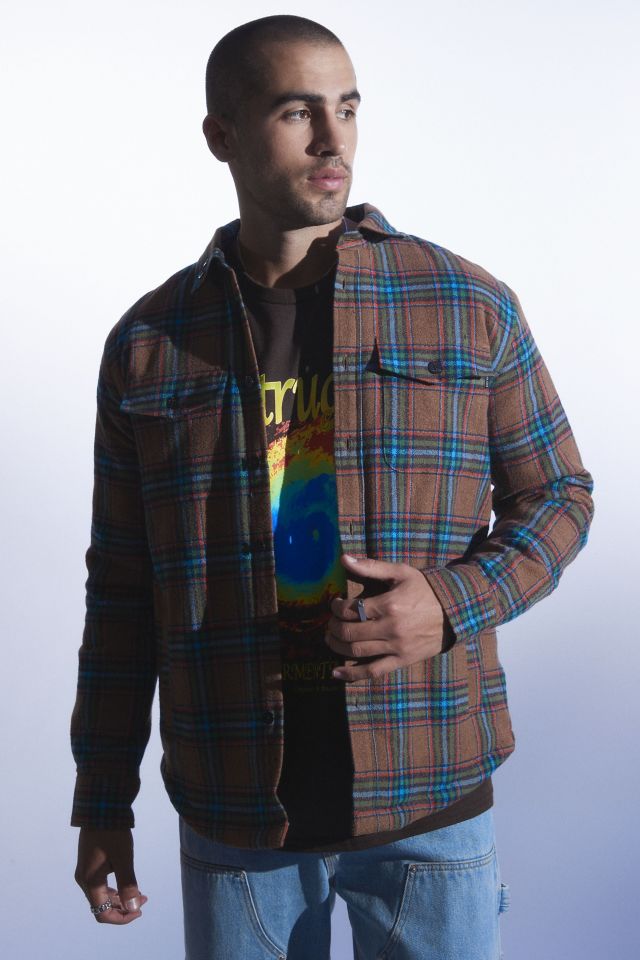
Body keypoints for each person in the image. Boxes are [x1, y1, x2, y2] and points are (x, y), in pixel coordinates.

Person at [71, 14, 594, 959]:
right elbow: (122, 587)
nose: (331, 138)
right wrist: (104, 796)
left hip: (430, 793)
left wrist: (452, 603)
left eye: (346, 108)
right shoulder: (150, 344)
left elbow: (558, 496)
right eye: (296, 111)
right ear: (222, 134)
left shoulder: (462, 304)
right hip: (237, 808)